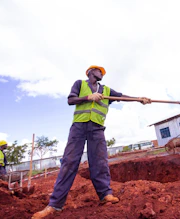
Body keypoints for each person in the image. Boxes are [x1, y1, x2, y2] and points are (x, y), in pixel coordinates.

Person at [32, 65, 151, 218]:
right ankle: (55, 205)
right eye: (99, 71)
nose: (102, 73)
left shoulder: (106, 90)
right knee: (69, 162)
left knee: (99, 161)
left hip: (97, 129)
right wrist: (89, 97)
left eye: (102, 72)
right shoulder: (80, 84)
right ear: (90, 72)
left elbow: (122, 96)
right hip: (78, 128)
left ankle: (105, 194)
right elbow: (70, 100)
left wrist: (139, 99)